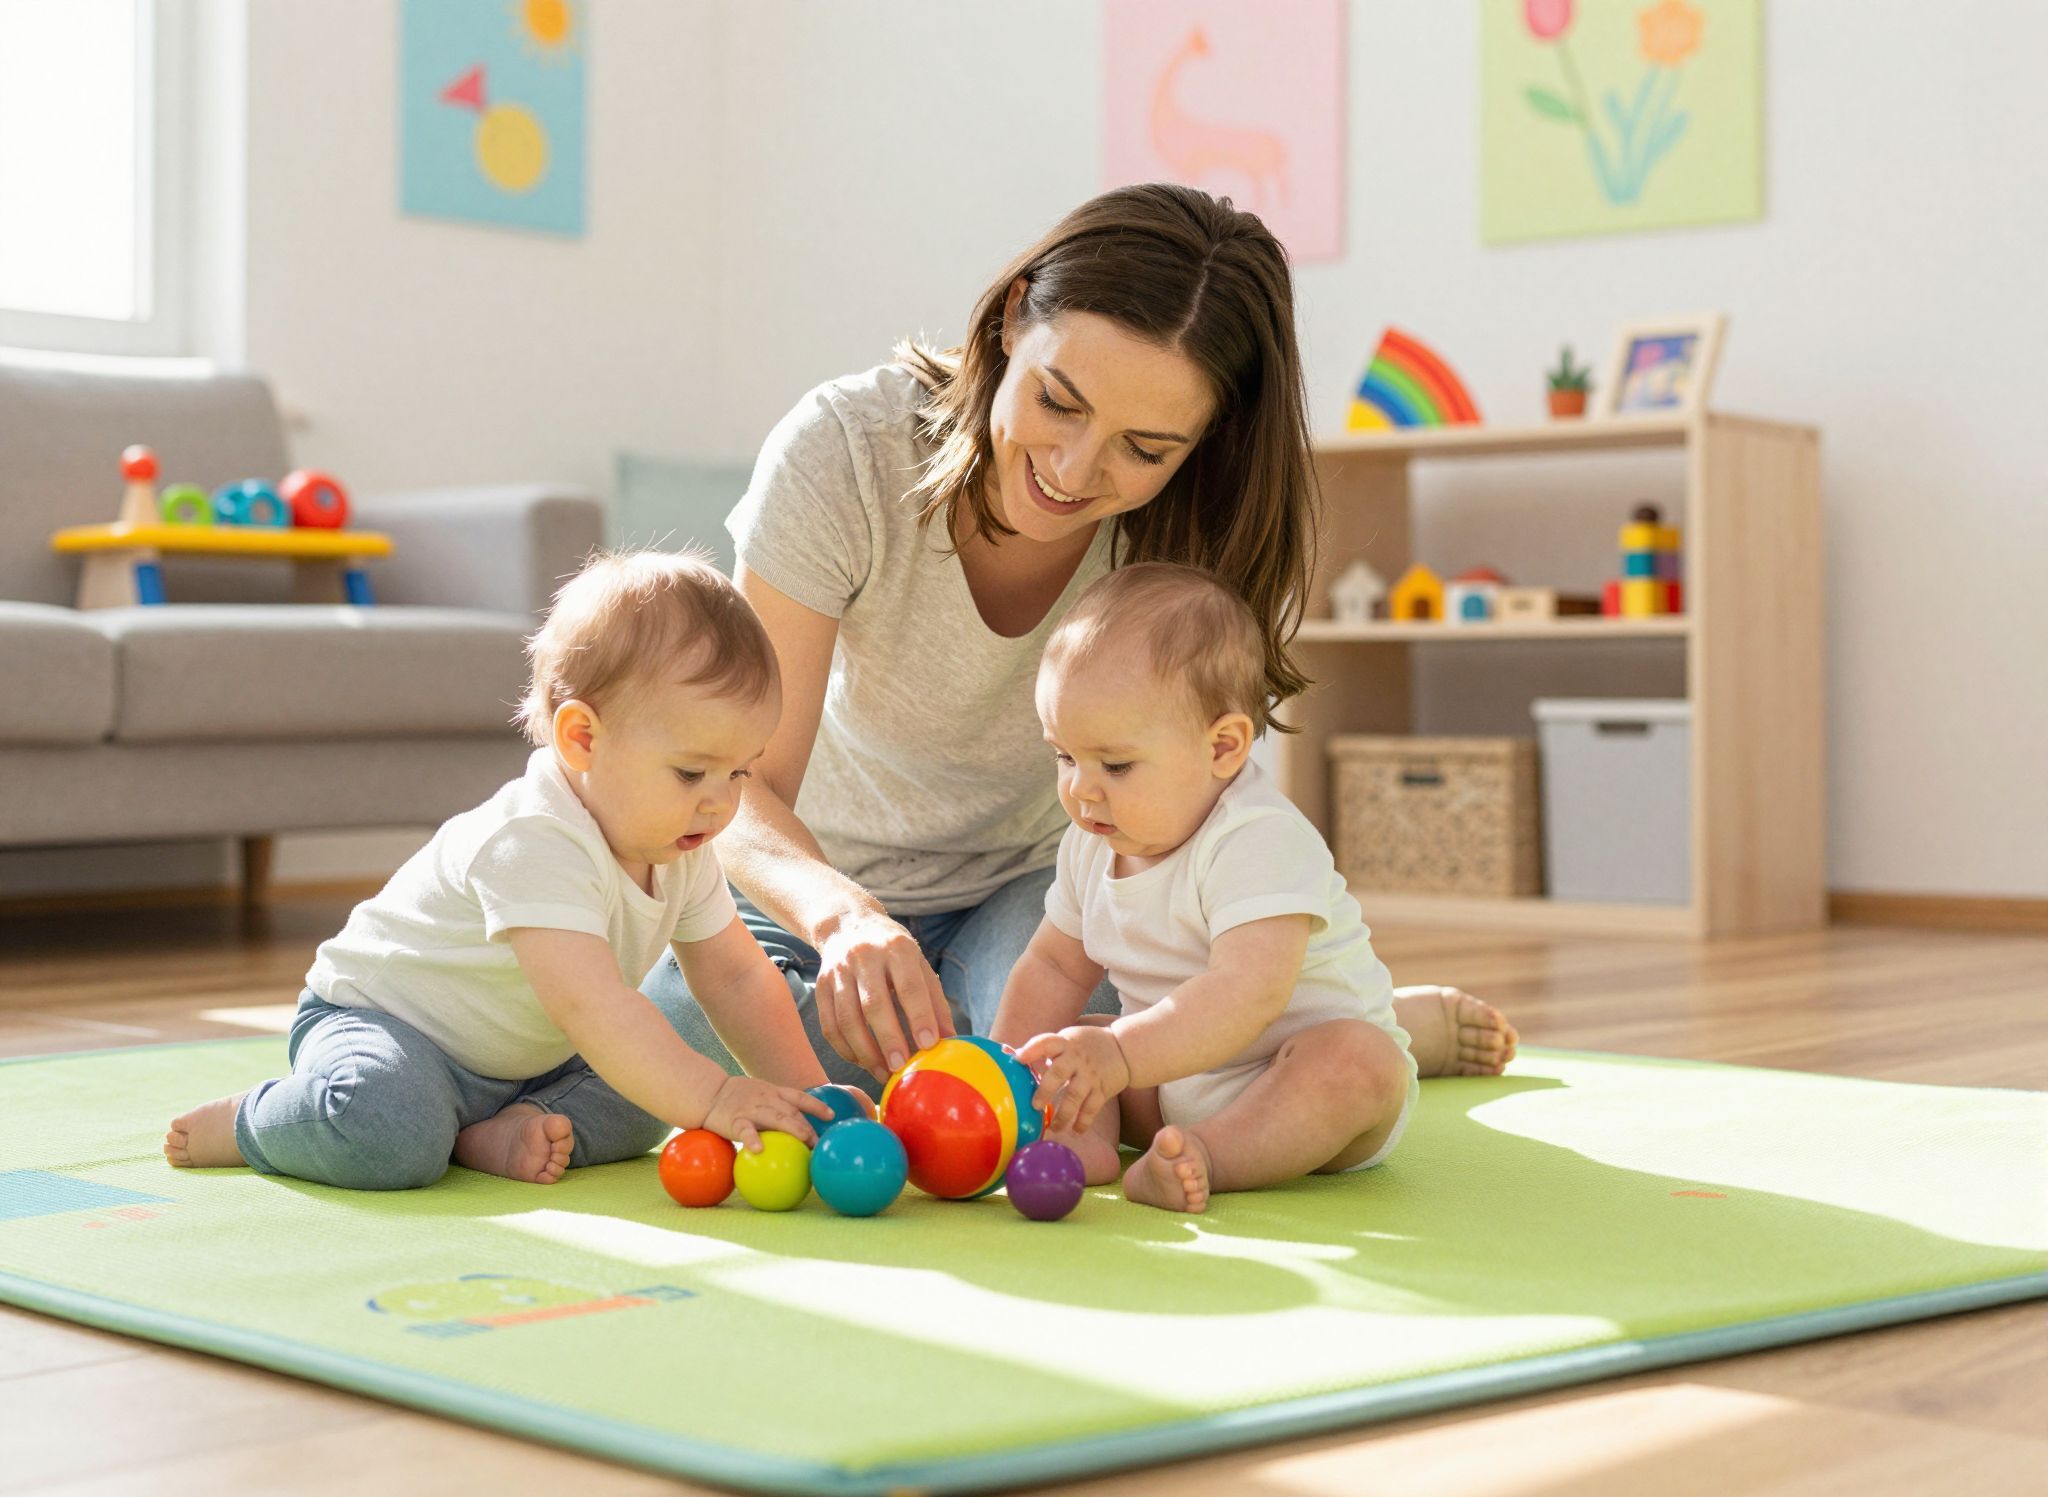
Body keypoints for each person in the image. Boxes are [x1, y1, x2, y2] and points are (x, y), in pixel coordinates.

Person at [646, 182, 1511, 1097]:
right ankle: (1343, 1026)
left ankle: (1363, 1030)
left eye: (1144, 449)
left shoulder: (1190, 527)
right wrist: (842, 918)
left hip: (1044, 891)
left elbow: (1201, 805)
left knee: (1073, 1066)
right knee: (688, 1039)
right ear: (1016, 317)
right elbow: (742, 786)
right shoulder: (844, 451)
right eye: (1059, 402)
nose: (1072, 470)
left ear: (1204, 441)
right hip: (822, 882)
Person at [163, 553, 832, 1189]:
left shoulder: (679, 838)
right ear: (582, 739)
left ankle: (496, 1131)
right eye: (692, 771)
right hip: (389, 1030)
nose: (721, 802)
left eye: (740, 770)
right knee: (388, 1130)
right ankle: (254, 1120)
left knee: (649, 1097)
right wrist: (715, 1098)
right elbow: (591, 1006)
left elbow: (739, 977)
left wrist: (814, 1104)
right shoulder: (534, 839)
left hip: (530, 1059)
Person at [994, 564, 1514, 1214]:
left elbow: (1248, 994)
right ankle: (1079, 1143)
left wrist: (1122, 1056)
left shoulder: (1257, 840)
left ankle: (1208, 1157)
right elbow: (1051, 967)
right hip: (1166, 1073)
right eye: (1065, 757)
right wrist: (1005, 1074)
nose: (1081, 789)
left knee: (1360, 1063)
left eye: (1116, 764)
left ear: (1224, 747)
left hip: (1286, 1071)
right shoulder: (1090, 845)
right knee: (1070, 1042)